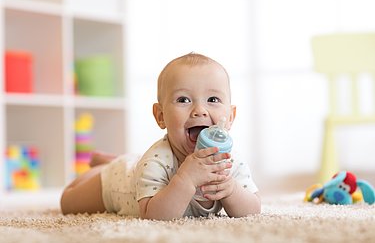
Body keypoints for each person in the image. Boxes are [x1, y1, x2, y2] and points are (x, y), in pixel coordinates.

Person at [60, 52, 261, 220]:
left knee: (137, 163)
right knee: (68, 202)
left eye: (213, 99)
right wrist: (186, 179)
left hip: (140, 168)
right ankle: (109, 165)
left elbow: (253, 210)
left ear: (231, 116)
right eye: (183, 99)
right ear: (161, 116)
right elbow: (153, 216)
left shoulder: (230, 161)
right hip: (120, 180)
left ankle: (120, 158)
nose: (200, 110)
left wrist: (232, 190)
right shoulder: (157, 160)